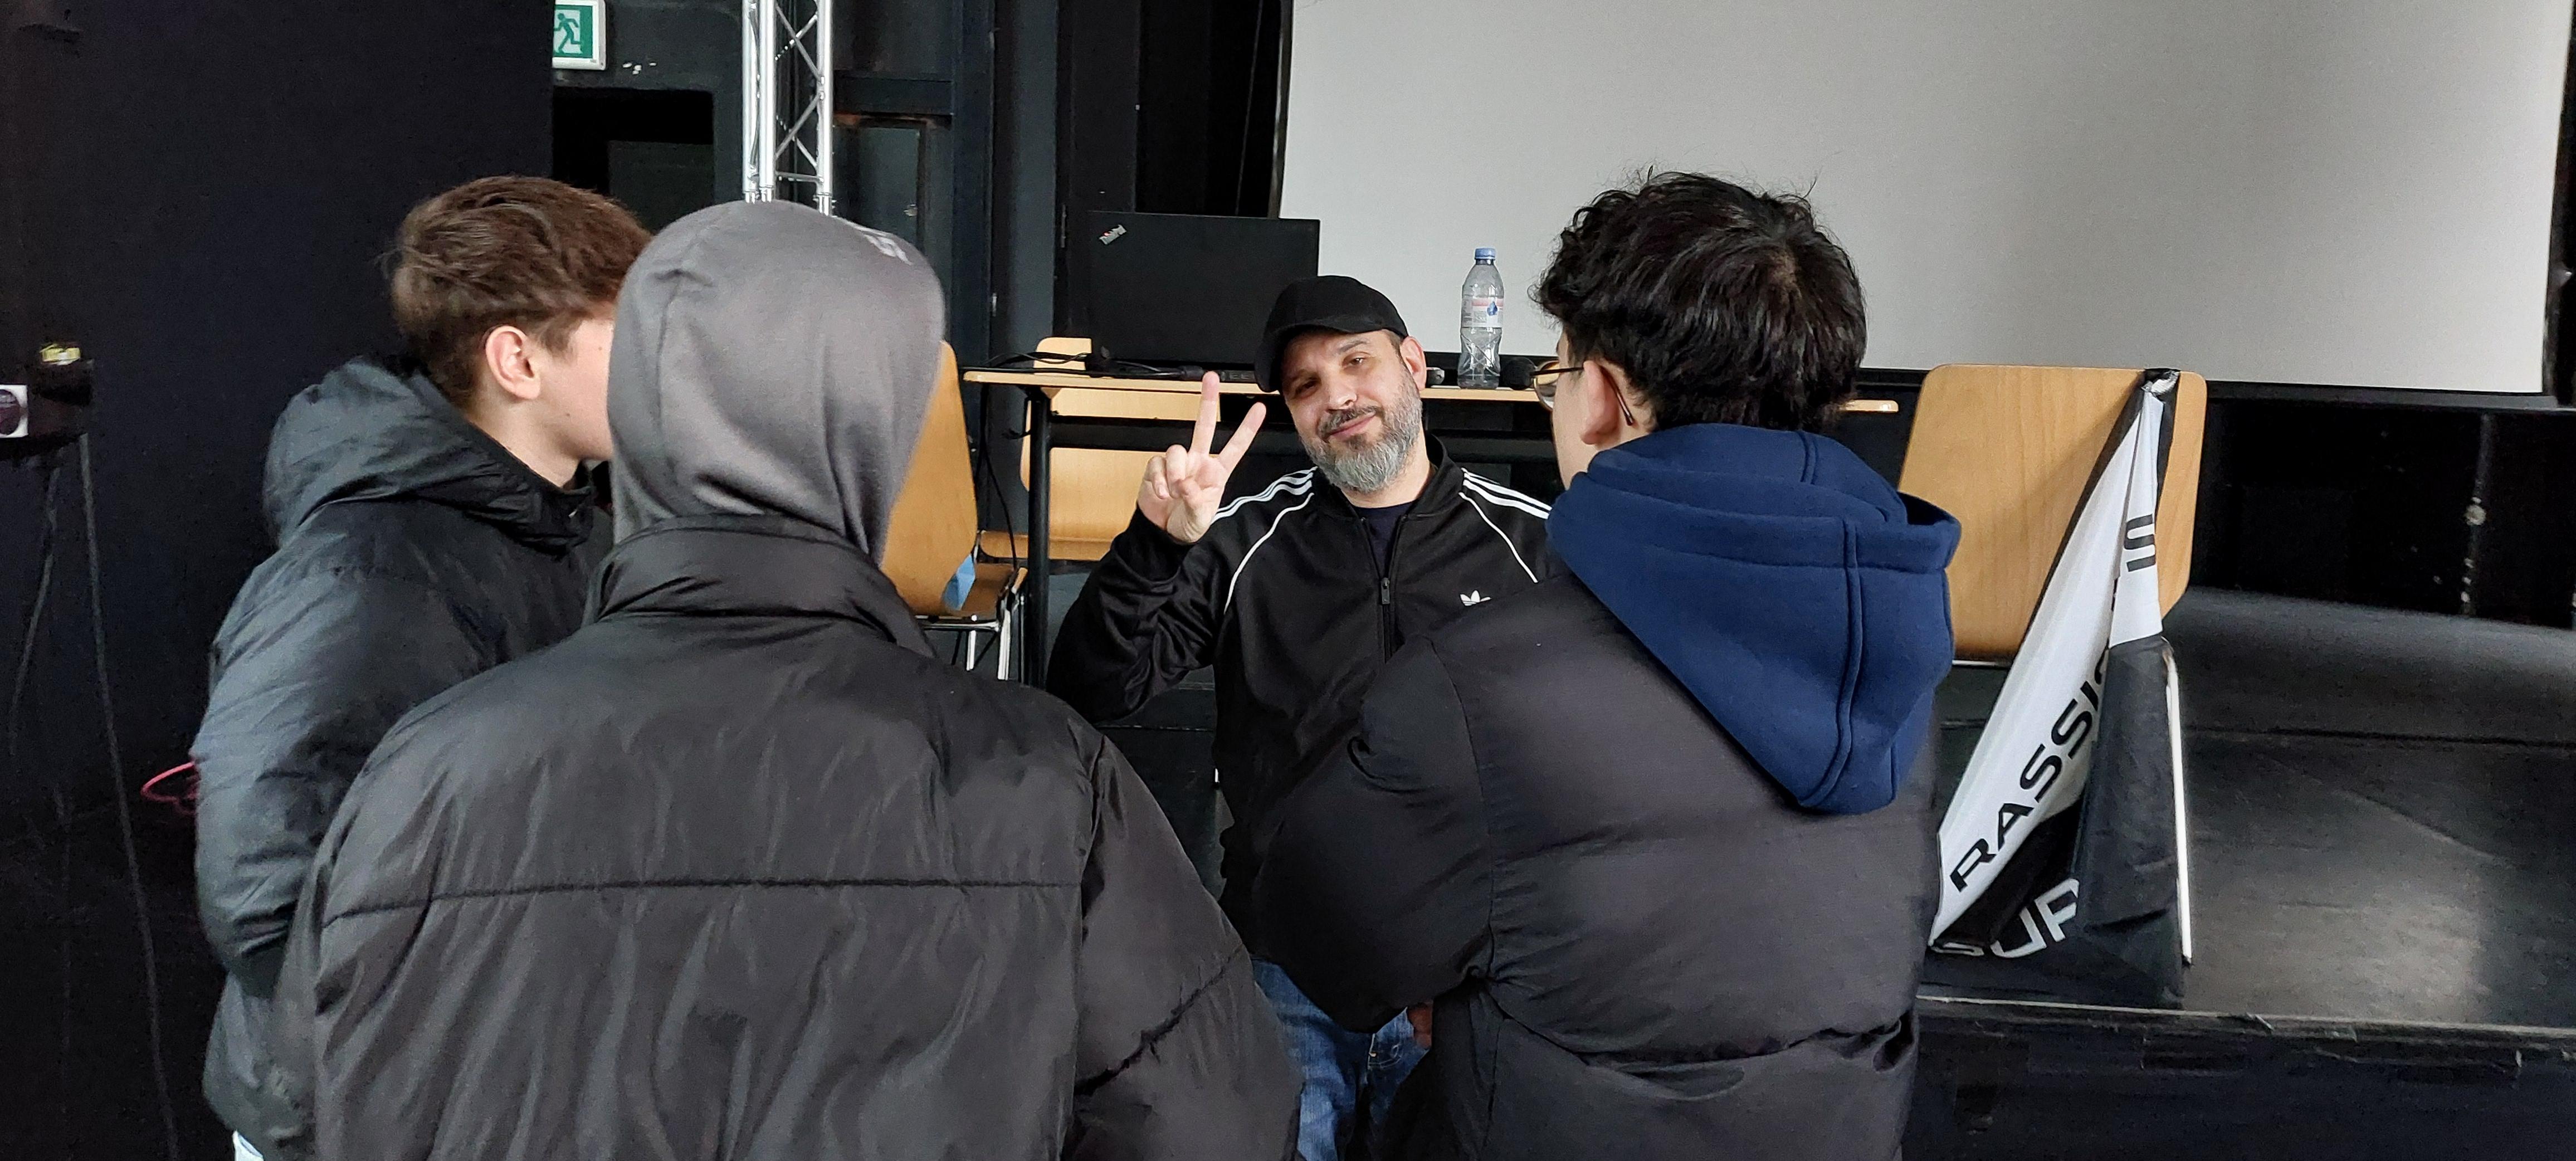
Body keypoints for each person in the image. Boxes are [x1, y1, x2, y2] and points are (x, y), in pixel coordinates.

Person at [279, 201, 1298, 1160]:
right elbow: (1213, 1123)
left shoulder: (426, 767)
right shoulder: (1046, 782)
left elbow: (311, 1098)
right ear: (881, 431)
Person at [1256, 173, 1962, 1160]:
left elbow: (1322, 939)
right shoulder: (1908, 653)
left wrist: (1458, 989)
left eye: (1557, 375)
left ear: (1603, 397)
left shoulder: (1477, 685)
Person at [189, 175, 648, 1161]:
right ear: (518, 358)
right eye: (629, 335)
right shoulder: (368, 571)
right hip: (374, 1116)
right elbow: (267, 890)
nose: (660, 369)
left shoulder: (575, 538)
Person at [1046, 276, 1554, 1161]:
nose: (1337, 398)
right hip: (1284, 973)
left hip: (1471, 985)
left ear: (1415, 367)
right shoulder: (1242, 543)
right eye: (1306, 385)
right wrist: (1155, 547)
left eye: (1356, 363)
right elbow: (1094, 691)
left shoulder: (1534, 547)